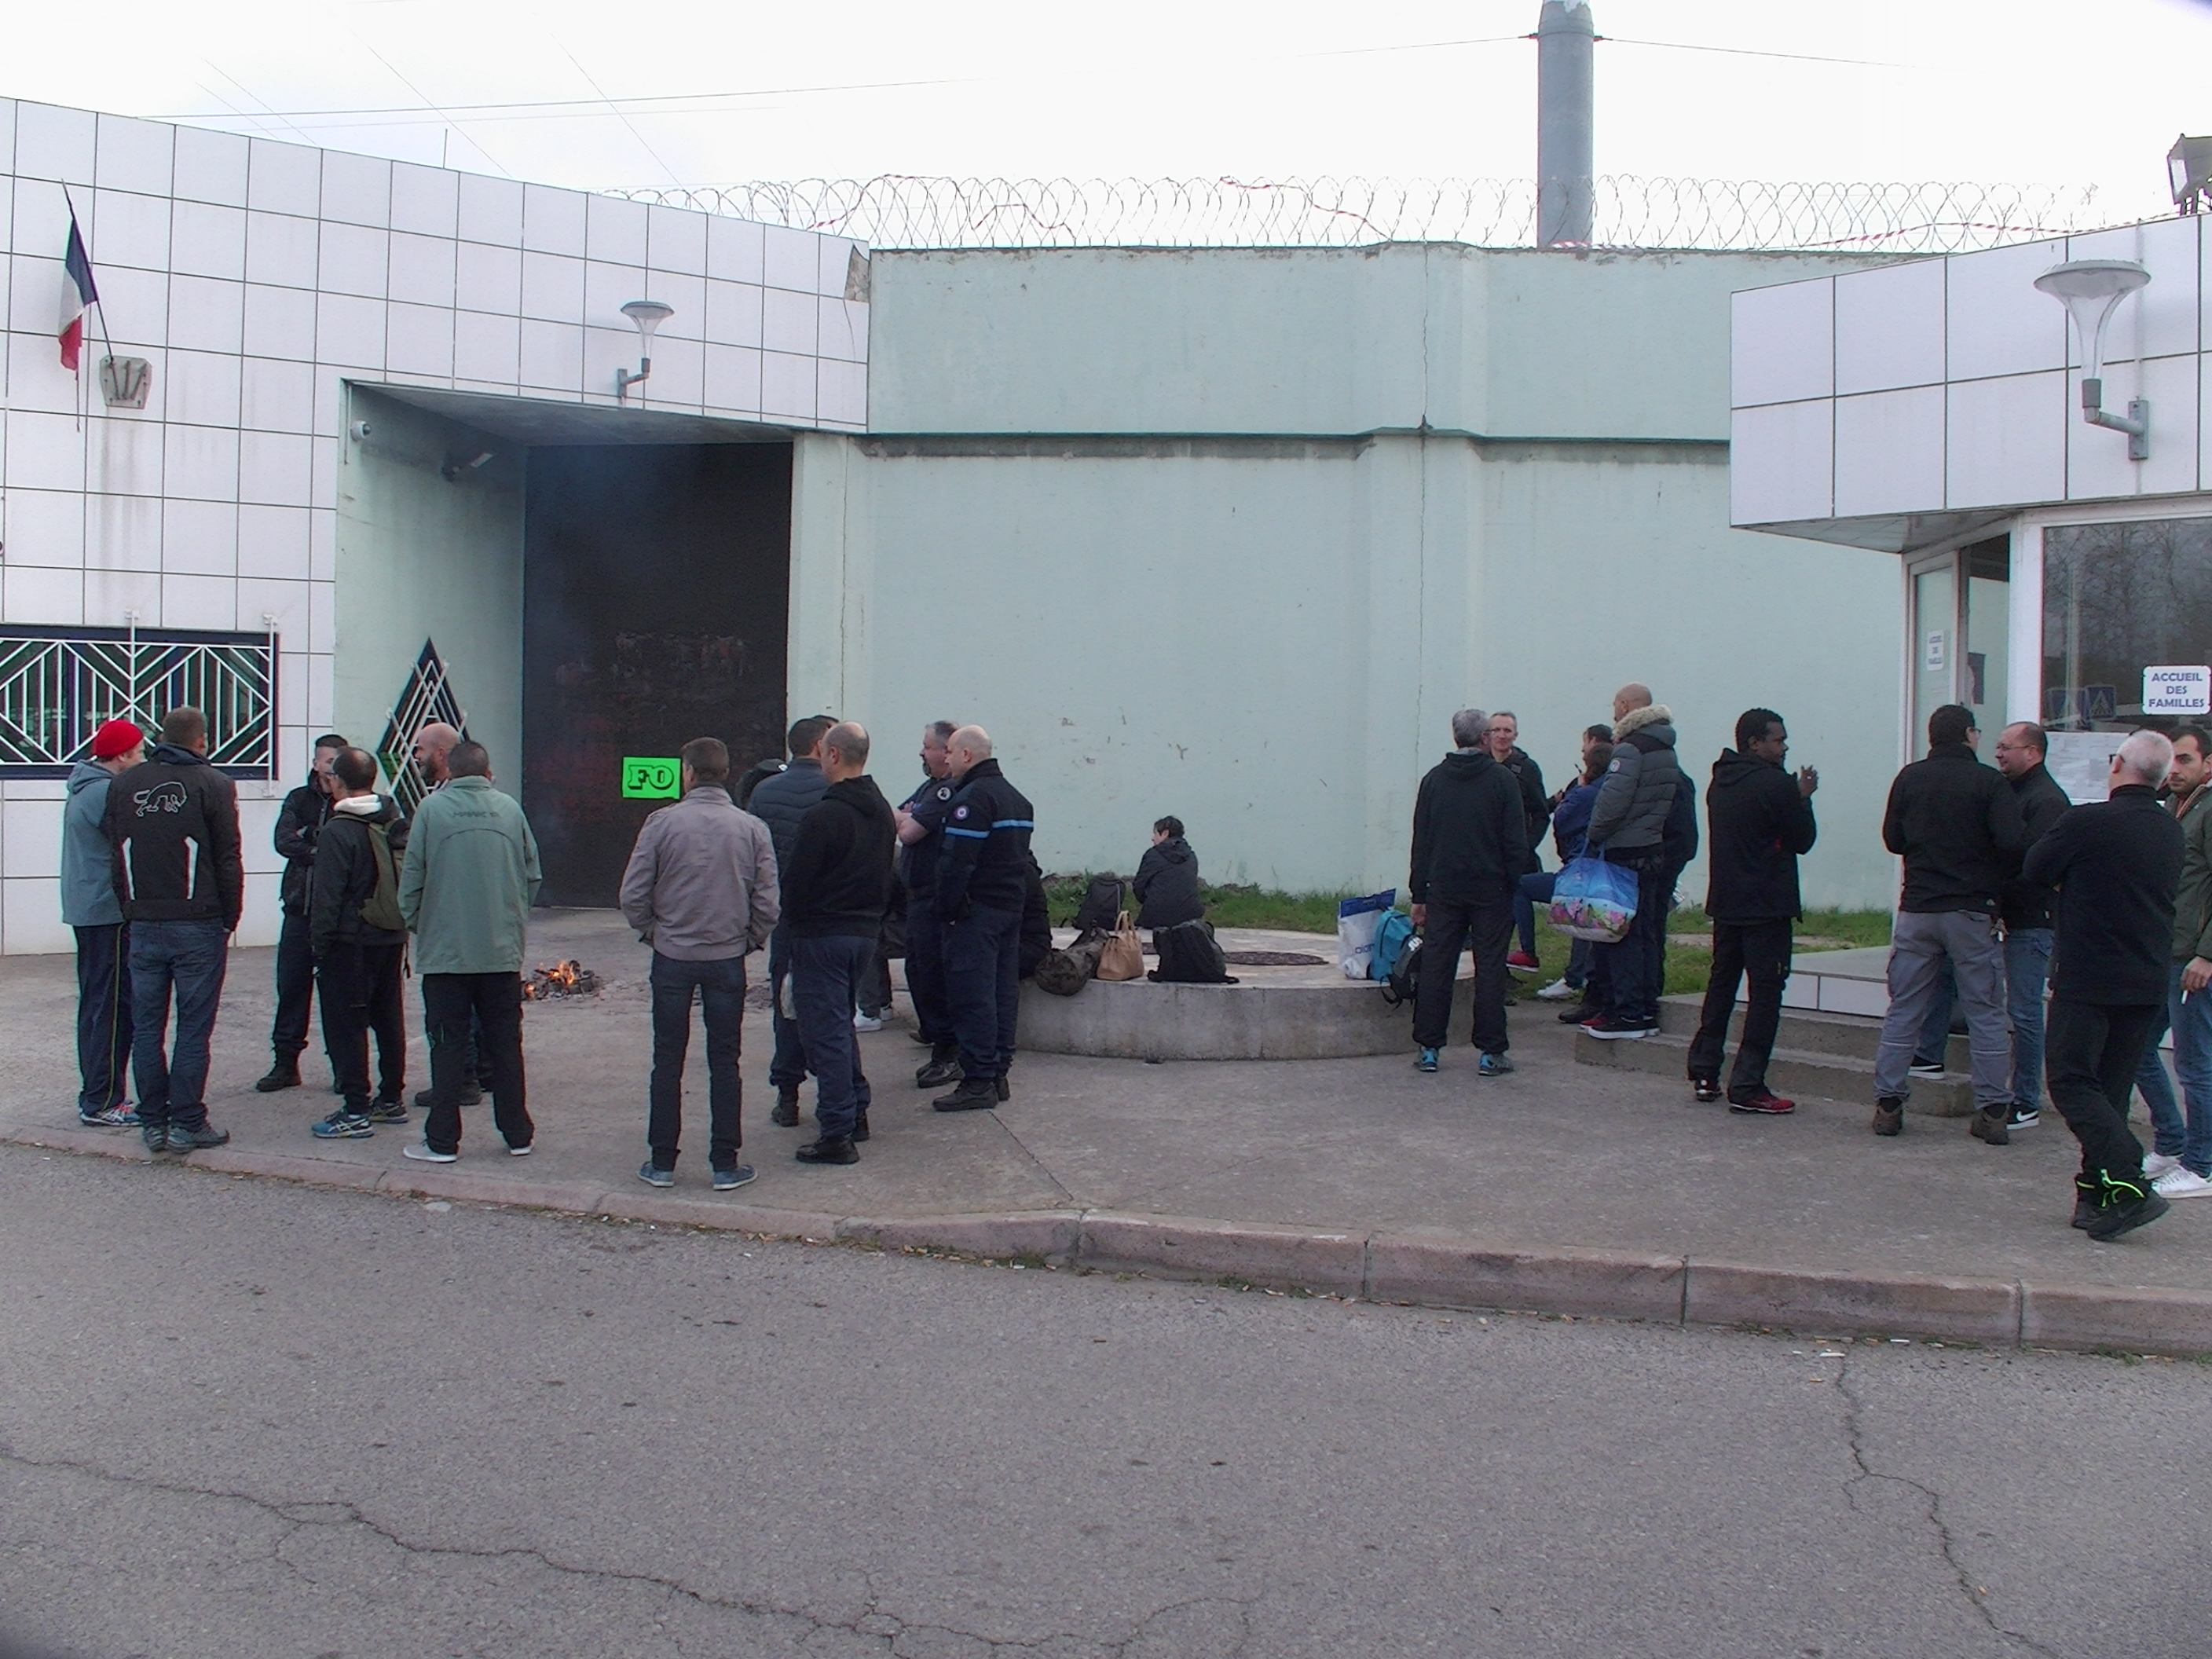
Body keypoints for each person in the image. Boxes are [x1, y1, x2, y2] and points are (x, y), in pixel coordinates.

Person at [2020, 730, 2184, 1240]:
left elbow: (2034, 870)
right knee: (2110, 1090)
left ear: (2117, 766)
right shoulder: (2169, 828)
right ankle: (2097, 1195)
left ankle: (2128, 1171)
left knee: (2070, 1079)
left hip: (2090, 975)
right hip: (2147, 977)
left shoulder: (2088, 822)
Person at [619, 736, 779, 1191]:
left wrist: (653, 931)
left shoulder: (660, 824)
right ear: (726, 772)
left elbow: (632, 893)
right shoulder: (751, 828)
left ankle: (662, 1161)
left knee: (667, 1059)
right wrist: (750, 939)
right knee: (725, 1059)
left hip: (672, 956)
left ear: (686, 772)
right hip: (727, 957)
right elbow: (768, 901)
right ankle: (725, 1163)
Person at [1869, 705, 2026, 1140]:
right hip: (1971, 911)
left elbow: (1893, 839)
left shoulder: (1909, 778)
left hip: (1918, 908)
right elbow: (2013, 844)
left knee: (1905, 1009)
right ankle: (1993, 1111)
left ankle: (1888, 1104)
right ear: (1968, 736)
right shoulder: (1989, 783)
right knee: (1986, 1012)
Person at [104, 707, 242, 1155]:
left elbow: (115, 853)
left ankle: (153, 1121)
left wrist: (129, 909)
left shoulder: (125, 783)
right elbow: (227, 858)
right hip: (197, 921)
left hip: (144, 922)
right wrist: (229, 916)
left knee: (147, 1027)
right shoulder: (214, 784)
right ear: (201, 742)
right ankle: (187, 1120)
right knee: (192, 1028)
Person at [397, 741, 540, 1163]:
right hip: (500, 952)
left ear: (450, 771)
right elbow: (532, 875)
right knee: (506, 1046)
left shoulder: (431, 810)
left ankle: (442, 1141)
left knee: (446, 1046)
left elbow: (412, 880)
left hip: (446, 955)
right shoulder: (510, 810)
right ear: (487, 769)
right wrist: (510, 920)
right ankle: (518, 1134)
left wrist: (423, 926)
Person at [1686, 709, 1818, 1114]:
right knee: (1765, 995)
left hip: (1727, 903)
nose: (1784, 748)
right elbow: (1802, 839)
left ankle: (1706, 1071)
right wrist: (1803, 799)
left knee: (1722, 986)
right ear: (1754, 743)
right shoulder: (1775, 785)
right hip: (1766, 906)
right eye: (1777, 741)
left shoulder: (1720, 781)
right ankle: (1748, 1083)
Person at [781, 723, 895, 1165]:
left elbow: (797, 884)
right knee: (839, 1027)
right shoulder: (882, 811)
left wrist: (793, 925)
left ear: (832, 755)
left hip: (821, 935)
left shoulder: (824, 816)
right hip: (863, 934)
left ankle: (836, 1133)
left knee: (824, 1033)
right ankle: (855, 1112)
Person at [1408, 709, 1532, 1077]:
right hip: (1491, 889)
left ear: (1454, 737)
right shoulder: (1501, 781)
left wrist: (1419, 893)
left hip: (1444, 888)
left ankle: (1429, 1047)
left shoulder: (1434, 780)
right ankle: (1491, 1053)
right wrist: (1512, 883)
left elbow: (1422, 842)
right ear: (1484, 738)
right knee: (1490, 967)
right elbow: (1515, 841)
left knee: (1437, 965)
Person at [306, 749, 411, 1140]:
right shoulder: (394, 819)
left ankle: (355, 1108)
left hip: (350, 941)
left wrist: (319, 946)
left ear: (337, 781)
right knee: (389, 1018)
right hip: (392, 935)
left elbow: (327, 897)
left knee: (347, 1023)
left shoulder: (339, 829)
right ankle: (391, 1099)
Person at [931, 725, 1036, 1112]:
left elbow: (956, 863)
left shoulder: (972, 800)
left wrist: (946, 909)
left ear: (967, 756)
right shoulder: (1018, 801)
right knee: (1001, 994)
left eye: (951, 752)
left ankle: (977, 1080)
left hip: (975, 914)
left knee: (972, 997)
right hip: (1010, 909)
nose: (945, 758)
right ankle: (998, 1073)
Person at [2131, 725, 2212, 1199]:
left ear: (2208, 764)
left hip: (2193, 961)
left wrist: (2206, 954)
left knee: (2195, 1062)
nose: (2175, 768)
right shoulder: (2172, 807)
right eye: (2171, 760)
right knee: (2139, 1047)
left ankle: (2201, 1165)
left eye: (2185, 760)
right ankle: (2171, 1142)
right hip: (2164, 952)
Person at [1579, 684, 1685, 1040]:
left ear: (1625, 706)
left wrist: (1593, 835)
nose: (1613, 713)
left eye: (1615, 705)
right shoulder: (1666, 747)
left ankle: (1626, 1014)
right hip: (1653, 848)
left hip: (1624, 852)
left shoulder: (1630, 748)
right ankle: (1645, 1008)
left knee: (1620, 934)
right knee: (1647, 934)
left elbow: (1612, 802)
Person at [750, 715, 835, 1126]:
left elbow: (752, 861)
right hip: (832, 917)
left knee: (786, 1004)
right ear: (821, 746)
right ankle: (834, 1094)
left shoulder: (764, 793)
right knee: (832, 1008)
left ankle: (787, 1094)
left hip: (784, 916)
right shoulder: (837, 792)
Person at [1988, 722, 2073, 1131]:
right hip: (2010, 914)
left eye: (2007, 747)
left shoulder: (2047, 801)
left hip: (2032, 920)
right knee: (2012, 1008)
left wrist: (1998, 891)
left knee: (2024, 1010)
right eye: (1997, 747)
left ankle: (2026, 1100)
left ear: (2033, 752)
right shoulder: (2013, 793)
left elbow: (2036, 865)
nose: (1999, 754)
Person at [62, 718, 145, 1127]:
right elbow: (135, 835)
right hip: (106, 911)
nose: (143, 758)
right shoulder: (105, 791)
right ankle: (103, 1100)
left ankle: (98, 1094)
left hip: (91, 909)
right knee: (111, 1006)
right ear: (123, 755)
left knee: (99, 1001)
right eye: (140, 752)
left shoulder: (86, 785)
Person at [258, 733, 347, 1094]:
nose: (332, 769)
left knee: (339, 996)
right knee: (291, 989)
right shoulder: (299, 799)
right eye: (327, 761)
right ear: (315, 763)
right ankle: (285, 1064)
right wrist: (319, 844)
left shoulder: (353, 801)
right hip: (299, 909)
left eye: (338, 762)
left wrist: (311, 840)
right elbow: (284, 841)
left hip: (338, 915)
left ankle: (344, 1068)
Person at [895, 721, 963, 1090]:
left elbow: (907, 830)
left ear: (946, 752)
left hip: (934, 898)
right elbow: (899, 814)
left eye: (927, 747)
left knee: (933, 975)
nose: (922, 753)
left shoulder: (946, 792)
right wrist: (908, 816)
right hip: (916, 897)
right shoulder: (928, 788)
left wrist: (909, 818)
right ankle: (937, 1038)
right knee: (917, 971)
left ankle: (948, 1052)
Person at [1528, 741, 1610, 1005]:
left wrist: (1569, 795)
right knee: (1588, 921)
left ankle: (1530, 953)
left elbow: (1561, 822)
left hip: (1580, 868)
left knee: (1522, 887)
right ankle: (1582, 977)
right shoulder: (1617, 791)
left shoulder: (1585, 793)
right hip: (1606, 870)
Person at [1481, 713, 1551, 975]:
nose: (1501, 735)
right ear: (1486, 735)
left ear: (1515, 736)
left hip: (1515, 857)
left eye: (1507, 731)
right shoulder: (1479, 764)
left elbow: (1541, 812)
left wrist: (1527, 845)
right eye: (1496, 730)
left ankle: (1509, 967)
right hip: (1485, 855)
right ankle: (1493, 973)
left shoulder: (1526, 768)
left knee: (1510, 912)